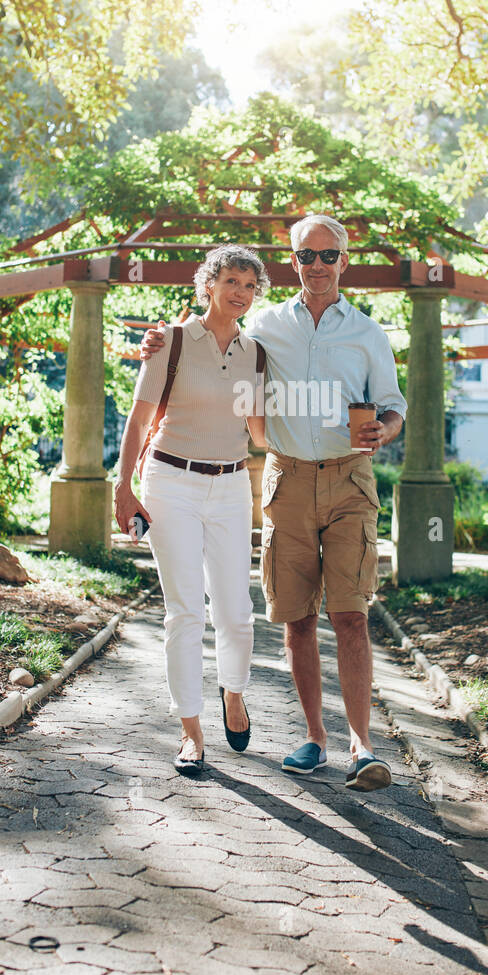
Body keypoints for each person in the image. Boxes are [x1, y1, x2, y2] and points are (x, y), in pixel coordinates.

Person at [141, 215, 406, 792]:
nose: (317, 265)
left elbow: (392, 405)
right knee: (296, 617)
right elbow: (215, 341)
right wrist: (159, 340)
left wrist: (383, 430)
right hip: (285, 481)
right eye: (306, 256)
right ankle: (315, 738)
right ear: (293, 262)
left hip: (349, 480)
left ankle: (363, 747)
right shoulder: (262, 327)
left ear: (344, 261)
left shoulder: (368, 333)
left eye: (328, 255)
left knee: (352, 615)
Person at [114, 245, 268, 775]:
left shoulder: (256, 354)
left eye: (250, 285)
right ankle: (191, 731)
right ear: (208, 284)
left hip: (230, 487)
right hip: (169, 482)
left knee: (236, 612)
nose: (240, 293)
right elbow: (138, 422)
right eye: (231, 281)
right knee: (185, 610)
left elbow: (259, 431)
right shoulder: (171, 341)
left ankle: (233, 693)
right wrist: (122, 486)